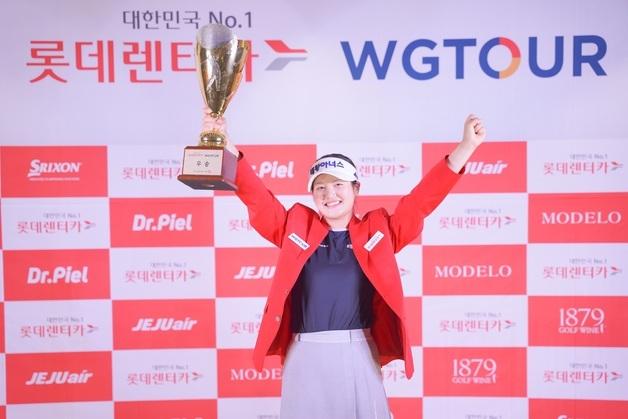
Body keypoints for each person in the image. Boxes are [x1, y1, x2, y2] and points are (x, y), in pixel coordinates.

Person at [203, 110, 485, 418]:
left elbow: (420, 202)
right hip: (305, 353)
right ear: (312, 194)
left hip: (358, 350)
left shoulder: (379, 231)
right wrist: (224, 143)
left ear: (356, 189)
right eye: (320, 187)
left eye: (339, 185)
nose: (330, 194)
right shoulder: (295, 228)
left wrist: (465, 148)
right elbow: (257, 198)